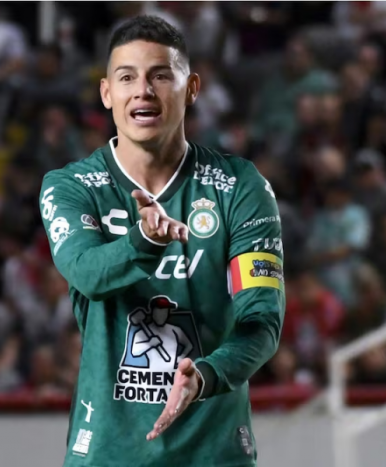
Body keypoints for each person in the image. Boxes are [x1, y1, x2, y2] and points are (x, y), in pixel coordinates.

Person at [39, 15, 285, 467]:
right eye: (126, 78)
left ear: (192, 89)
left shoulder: (239, 186)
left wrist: (205, 376)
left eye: (160, 76)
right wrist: (144, 241)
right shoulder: (71, 186)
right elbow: (87, 273)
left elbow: (262, 322)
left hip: (214, 454)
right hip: (108, 454)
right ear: (106, 93)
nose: (143, 91)